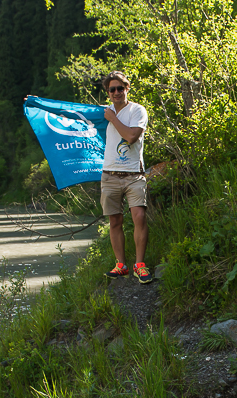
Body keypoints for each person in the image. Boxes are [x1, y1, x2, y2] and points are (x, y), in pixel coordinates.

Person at [100, 71, 152, 284]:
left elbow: (131, 136)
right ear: (108, 92)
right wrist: (37, 104)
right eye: (112, 89)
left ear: (126, 88)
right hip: (109, 174)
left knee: (139, 216)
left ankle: (139, 265)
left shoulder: (137, 110)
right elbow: (71, 113)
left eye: (120, 88)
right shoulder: (104, 112)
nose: (116, 92)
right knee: (115, 220)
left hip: (134, 174)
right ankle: (121, 265)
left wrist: (113, 118)